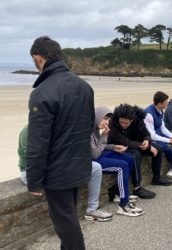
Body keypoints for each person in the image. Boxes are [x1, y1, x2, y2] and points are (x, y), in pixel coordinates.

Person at [26, 36, 94, 249]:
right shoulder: (84, 86)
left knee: (66, 223)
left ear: (38, 57)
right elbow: (89, 126)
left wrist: (34, 181)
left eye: (33, 60)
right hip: (79, 164)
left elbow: (38, 142)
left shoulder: (42, 93)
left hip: (58, 171)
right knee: (69, 215)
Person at [20, 123, 113, 222]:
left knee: (95, 167)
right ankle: (66, 219)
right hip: (33, 171)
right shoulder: (29, 131)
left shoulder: (59, 127)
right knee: (64, 178)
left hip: (58, 165)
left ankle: (92, 209)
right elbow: (33, 160)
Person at [91, 106, 144, 217]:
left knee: (128, 157)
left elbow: (99, 147)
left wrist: (113, 147)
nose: (106, 122)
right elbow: (94, 154)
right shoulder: (88, 130)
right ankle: (123, 205)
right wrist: (105, 136)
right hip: (91, 161)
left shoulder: (96, 128)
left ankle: (118, 193)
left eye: (108, 120)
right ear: (97, 116)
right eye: (104, 118)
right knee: (121, 166)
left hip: (98, 155)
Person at [108, 104, 164, 199]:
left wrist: (147, 140)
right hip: (119, 147)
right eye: (121, 122)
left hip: (135, 144)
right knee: (135, 155)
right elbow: (124, 141)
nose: (123, 125)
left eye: (126, 123)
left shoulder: (137, 120)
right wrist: (148, 147)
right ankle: (137, 187)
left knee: (159, 148)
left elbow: (146, 133)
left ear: (132, 120)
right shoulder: (113, 123)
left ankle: (156, 178)